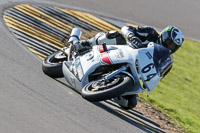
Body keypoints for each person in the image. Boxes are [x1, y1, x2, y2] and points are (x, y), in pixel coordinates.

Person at [74, 25, 184, 109]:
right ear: (164, 36)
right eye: (169, 42)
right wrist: (131, 36)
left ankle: (109, 88)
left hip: (133, 73)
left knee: (130, 103)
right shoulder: (150, 33)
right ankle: (84, 44)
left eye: (174, 46)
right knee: (115, 35)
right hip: (122, 52)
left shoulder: (165, 61)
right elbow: (126, 28)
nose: (170, 47)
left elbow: (157, 76)